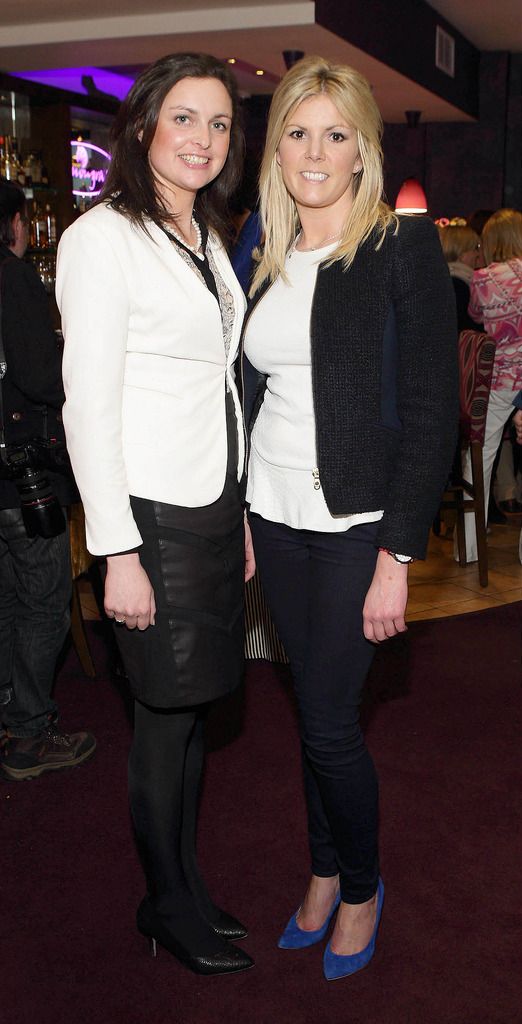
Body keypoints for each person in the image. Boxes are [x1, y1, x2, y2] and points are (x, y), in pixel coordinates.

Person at [242, 55, 458, 981]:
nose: (315, 151)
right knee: (313, 713)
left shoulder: (397, 246)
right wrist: (241, 513)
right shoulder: (258, 239)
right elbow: (245, 388)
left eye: (336, 133)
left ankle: (361, 885)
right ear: (276, 147)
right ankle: (324, 870)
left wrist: (397, 553)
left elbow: (431, 405)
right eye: (297, 132)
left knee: (329, 722)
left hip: (357, 522)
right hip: (271, 513)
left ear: (363, 148)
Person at [56, 53, 255, 976]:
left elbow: (221, 382)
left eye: (218, 124)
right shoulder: (102, 238)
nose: (202, 140)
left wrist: (242, 512)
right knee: (164, 719)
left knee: (196, 711)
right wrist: (117, 549)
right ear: (143, 127)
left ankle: (185, 884)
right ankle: (163, 902)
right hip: (149, 517)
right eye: (185, 118)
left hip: (213, 506)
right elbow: (86, 405)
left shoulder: (209, 237)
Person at [0, 179, 96, 781]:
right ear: (12, 223)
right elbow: (43, 378)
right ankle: (30, 734)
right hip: (22, 477)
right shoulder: (14, 280)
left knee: (6, 600)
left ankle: (10, 713)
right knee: (42, 603)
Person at [459, 208, 522, 560]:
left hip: (498, 377)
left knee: (480, 457)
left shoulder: (483, 277)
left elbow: (476, 316)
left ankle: (469, 548)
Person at [438, 223, 481, 331]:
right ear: (461, 253)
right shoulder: (458, 284)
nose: (478, 253)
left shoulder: (442, 278)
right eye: (475, 248)